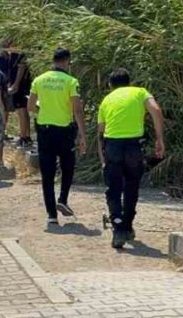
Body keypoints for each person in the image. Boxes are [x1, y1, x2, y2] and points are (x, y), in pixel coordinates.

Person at [97, 68, 166, 248]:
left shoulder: (106, 100)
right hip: (134, 146)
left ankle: (118, 227)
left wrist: (102, 158)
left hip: (112, 145)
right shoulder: (140, 92)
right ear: (129, 81)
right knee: (131, 185)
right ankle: (127, 226)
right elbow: (156, 110)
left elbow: (101, 133)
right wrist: (160, 139)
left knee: (113, 187)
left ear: (110, 85)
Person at [28, 48, 87, 226]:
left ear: (53, 61)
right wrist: (83, 135)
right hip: (64, 130)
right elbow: (77, 109)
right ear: (67, 61)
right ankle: (62, 199)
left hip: (45, 129)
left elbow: (30, 106)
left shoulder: (39, 80)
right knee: (68, 166)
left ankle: (51, 215)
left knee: (47, 173)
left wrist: (43, 111)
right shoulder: (71, 81)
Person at [3, 42, 33, 146]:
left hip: (21, 86)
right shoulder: (12, 55)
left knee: (22, 111)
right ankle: (26, 135)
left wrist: (16, 84)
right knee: (23, 111)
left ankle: (23, 137)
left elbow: (21, 68)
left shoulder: (18, 54)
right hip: (20, 85)